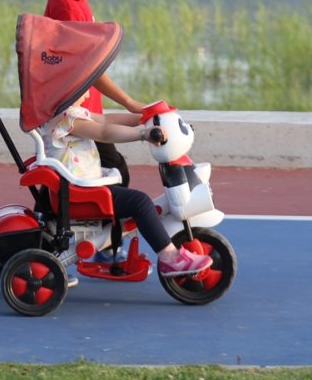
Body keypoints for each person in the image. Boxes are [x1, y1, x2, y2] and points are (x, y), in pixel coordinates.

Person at [41, 92, 214, 277]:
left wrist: (145, 118)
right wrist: (143, 133)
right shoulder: (66, 119)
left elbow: (107, 120)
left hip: (84, 188)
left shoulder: (69, 113)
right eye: (83, 88)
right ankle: (169, 257)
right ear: (69, 89)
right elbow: (104, 132)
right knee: (140, 203)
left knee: (130, 197)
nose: (89, 92)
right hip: (81, 194)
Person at [44, 0, 140, 187]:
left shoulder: (72, 0)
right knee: (114, 172)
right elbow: (89, 71)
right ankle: (113, 227)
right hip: (80, 112)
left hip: (87, 109)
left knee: (106, 170)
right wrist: (130, 102)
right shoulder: (69, 11)